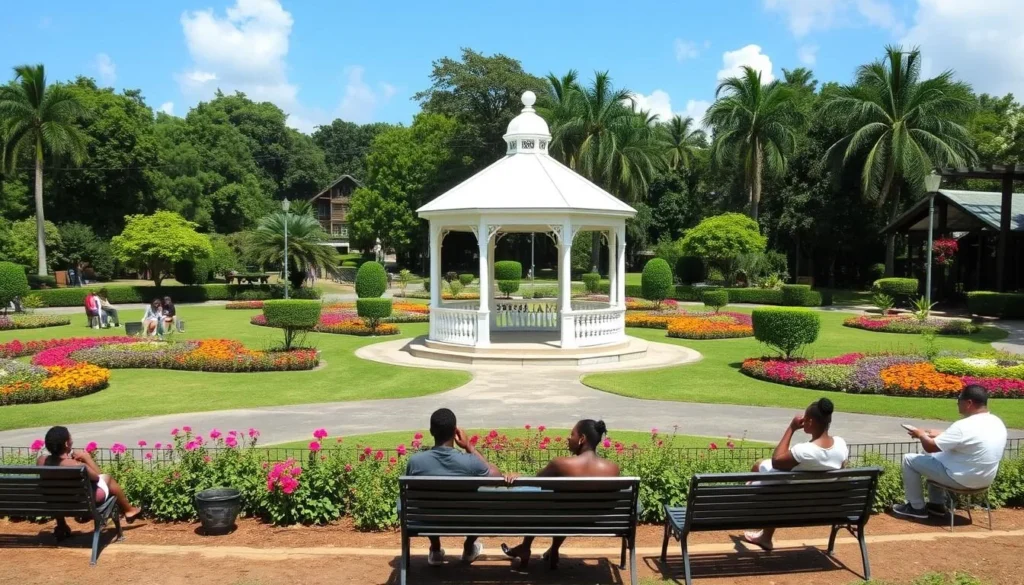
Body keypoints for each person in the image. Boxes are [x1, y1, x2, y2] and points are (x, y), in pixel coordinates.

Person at [501, 419, 619, 569]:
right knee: (563, 507)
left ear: (582, 439)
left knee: (545, 505)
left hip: (561, 520)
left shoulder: (561, 465)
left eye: (572, 434)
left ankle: (526, 547)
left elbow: (534, 482)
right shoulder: (612, 469)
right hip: (593, 522)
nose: (568, 438)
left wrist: (517, 476)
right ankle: (554, 549)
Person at [743, 398, 848, 552]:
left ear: (810, 422)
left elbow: (777, 460)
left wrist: (791, 428)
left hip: (785, 501)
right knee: (773, 479)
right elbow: (843, 467)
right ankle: (765, 537)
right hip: (822, 506)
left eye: (805, 418)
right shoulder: (840, 444)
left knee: (765, 474)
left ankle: (762, 531)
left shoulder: (805, 451)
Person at [893, 385, 1007, 520]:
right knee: (930, 457)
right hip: (985, 479)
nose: (957, 402)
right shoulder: (996, 422)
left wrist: (921, 434)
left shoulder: (963, 426)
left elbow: (930, 446)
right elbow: (967, 437)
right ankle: (937, 505)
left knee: (910, 459)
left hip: (961, 479)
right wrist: (935, 433)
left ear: (969, 403)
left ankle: (916, 507)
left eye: (959, 399)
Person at [405, 408, 501, 566]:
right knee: (479, 508)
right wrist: (469, 446)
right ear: (455, 431)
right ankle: (469, 547)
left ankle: (435, 549)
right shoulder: (470, 462)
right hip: (467, 520)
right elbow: (497, 476)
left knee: (429, 504)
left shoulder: (416, 462)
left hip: (426, 520)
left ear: (431, 431)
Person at [36, 426, 142, 540]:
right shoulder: (78, 466)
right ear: (67, 444)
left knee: (56, 492)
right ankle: (129, 510)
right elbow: (98, 477)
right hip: (83, 502)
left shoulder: (41, 461)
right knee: (107, 479)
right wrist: (87, 458)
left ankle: (61, 526)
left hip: (56, 501)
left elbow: (58, 463)